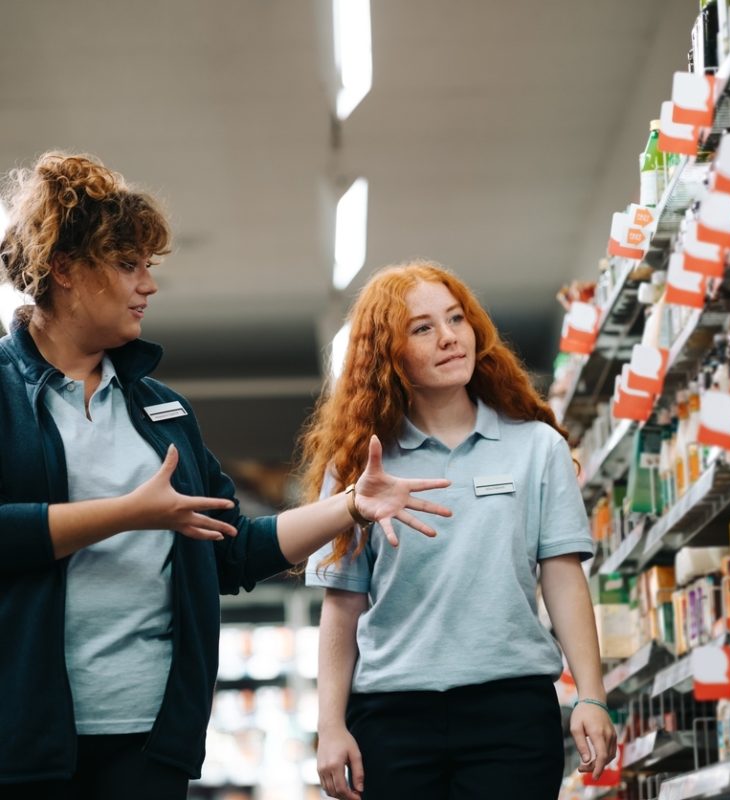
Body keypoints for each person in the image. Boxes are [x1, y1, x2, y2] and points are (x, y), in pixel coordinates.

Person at [0, 152, 452, 800]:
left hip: (150, 739)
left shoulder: (161, 410)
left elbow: (232, 550)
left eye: (148, 266)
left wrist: (350, 507)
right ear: (65, 268)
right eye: (128, 265)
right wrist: (132, 512)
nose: (147, 285)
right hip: (20, 740)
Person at [301, 261, 618, 800]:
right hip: (392, 715)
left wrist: (591, 694)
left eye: (456, 319)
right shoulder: (359, 462)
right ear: (389, 354)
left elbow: (562, 574)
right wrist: (330, 725)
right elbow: (342, 602)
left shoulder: (536, 448)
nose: (449, 338)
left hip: (512, 711)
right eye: (422, 328)